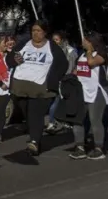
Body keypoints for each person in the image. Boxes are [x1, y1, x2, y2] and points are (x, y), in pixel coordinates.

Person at [7, 22, 68, 156]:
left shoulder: (52, 47)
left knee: (36, 113)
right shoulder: (24, 44)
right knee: (27, 113)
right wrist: (14, 60)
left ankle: (34, 141)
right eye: (34, 30)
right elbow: (9, 59)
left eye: (39, 31)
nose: (35, 33)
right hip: (20, 86)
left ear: (45, 32)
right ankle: (35, 134)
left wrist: (53, 78)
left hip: (41, 88)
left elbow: (63, 64)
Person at [69, 31, 108, 160]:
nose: (83, 43)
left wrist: (89, 51)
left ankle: (99, 148)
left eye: (86, 40)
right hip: (82, 92)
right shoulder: (80, 55)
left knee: (95, 120)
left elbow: (92, 63)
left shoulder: (102, 54)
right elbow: (76, 70)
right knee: (78, 120)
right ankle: (80, 146)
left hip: (97, 91)